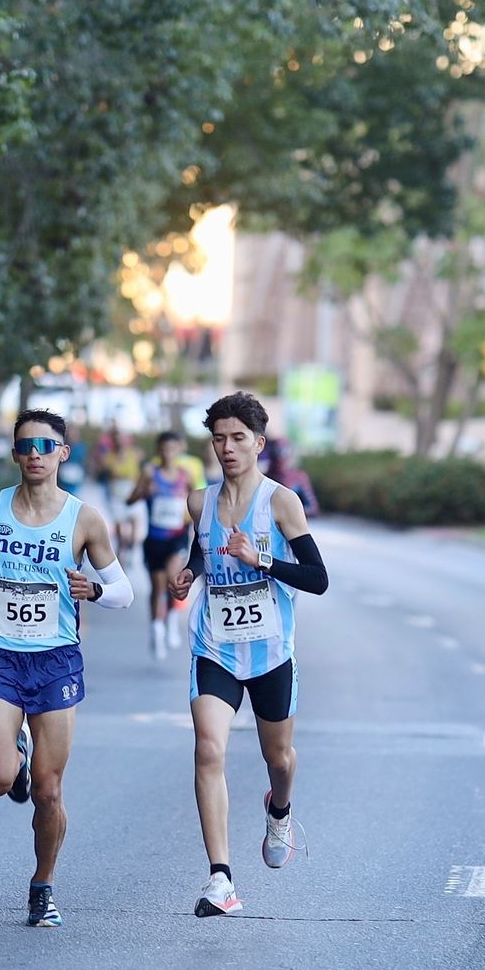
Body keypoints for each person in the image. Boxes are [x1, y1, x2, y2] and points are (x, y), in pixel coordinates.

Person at [0, 409, 133, 927]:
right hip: (0, 655)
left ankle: (43, 885)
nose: (34, 454)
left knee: (49, 790)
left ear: (62, 453)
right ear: (14, 454)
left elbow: (123, 591)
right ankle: (16, 756)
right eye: (25, 446)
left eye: (45, 446)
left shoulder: (84, 519)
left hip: (56, 660)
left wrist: (94, 590)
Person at [169, 392, 329, 918]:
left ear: (259, 443)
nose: (228, 447)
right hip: (214, 645)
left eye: (238, 438)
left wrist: (261, 559)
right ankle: (221, 879)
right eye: (219, 438)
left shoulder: (281, 502)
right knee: (208, 750)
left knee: (277, 758)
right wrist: (190, 572)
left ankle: (279, 808)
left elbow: (318, 578)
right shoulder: (199, 502)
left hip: (269, 652)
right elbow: (202, 549)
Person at [127, 430, 198, 660]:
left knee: (172, 578)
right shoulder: (150, 473)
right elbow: (130, 500)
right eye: (164, 449)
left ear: (179, 450)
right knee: (157, 587)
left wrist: (194, 519)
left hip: (177, 536)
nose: (168, 453)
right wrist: (144, 492)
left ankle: (171, 621)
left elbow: (196, 503)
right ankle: (156, 628)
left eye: (173, 449)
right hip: (155, 539)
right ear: (158, 450)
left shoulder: (185, 476)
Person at [101, 430, 145, 552]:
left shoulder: (135, 453)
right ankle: (122, 546)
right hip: (116, 493)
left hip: (132, 491)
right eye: (117, 440)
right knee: (119, 522)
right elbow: (110, 472)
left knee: (135, 517)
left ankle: (132, 545)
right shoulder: (109, 456)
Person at [265, 437, 320, 519]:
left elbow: (313, 508)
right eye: (276, 454)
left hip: (293, 524)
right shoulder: (265, 478)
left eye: (284, 454)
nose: (280, 459)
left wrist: (290, 511)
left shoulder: (299, 478)